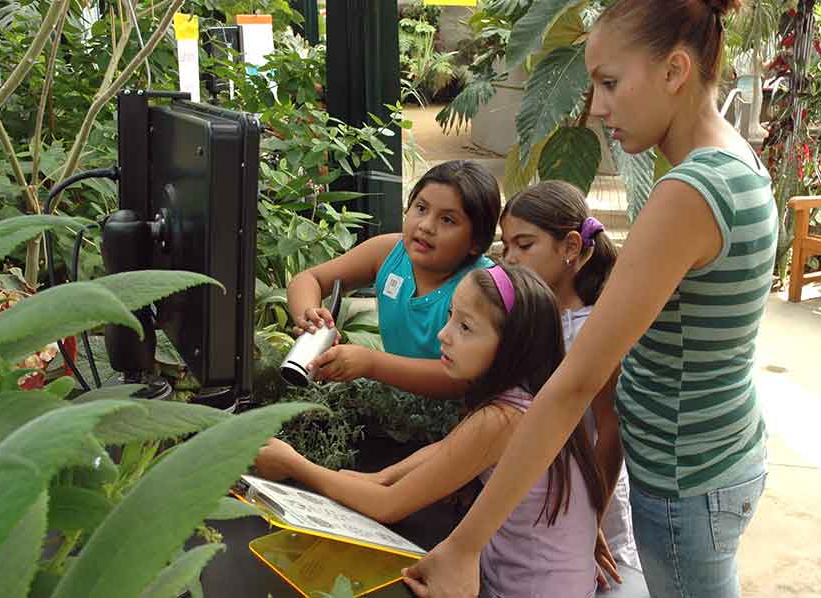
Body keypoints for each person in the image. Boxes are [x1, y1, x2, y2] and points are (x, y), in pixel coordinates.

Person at [404, 1, 776, 597]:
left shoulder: (689, 194)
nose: (598, 107)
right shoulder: (739, 162)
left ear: (674, 71)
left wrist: (464, 546)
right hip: (719, 455)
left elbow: (576, 384)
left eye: (609, 83)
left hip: (687, 479)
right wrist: (597, 500)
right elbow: (660, 361)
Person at [258, 265, 609, 597]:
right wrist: (374, 479)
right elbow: (442, 454)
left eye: (466, 327)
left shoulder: (500, 419)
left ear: (511, 345)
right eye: (450, 316)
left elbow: (388, 505)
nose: (444, 334)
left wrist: (294, 465)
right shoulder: (528, 400)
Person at [500, 181, 646, 597]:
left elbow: (610, 430)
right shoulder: (529, 311)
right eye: (506, 245)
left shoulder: (597, 326)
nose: (510, 258)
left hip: (592, 491)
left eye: (524, 245)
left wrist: (590, 519)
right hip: (542, 487)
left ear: (569, 246)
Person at [286, 160, 500, 398]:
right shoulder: (388, 252)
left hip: (460, 419)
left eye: (447, 220)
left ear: (477, 242)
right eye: (421, 208)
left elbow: (463, 379)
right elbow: (308, 278)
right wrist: (310, 318)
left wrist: (372, 364)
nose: (426, 226)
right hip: (396, 406)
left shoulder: (482, 287)